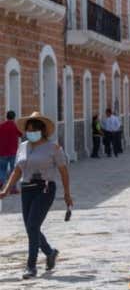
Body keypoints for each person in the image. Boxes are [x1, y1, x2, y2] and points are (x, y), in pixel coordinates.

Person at [0, 112, 73, 279]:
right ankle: (50, 252)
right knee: (30, 227)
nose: (30, 132)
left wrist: (67, 194)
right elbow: (18, 170)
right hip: (27, 189)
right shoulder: (23, 146)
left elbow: (63, 171)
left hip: (45, 188)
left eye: (33, 129)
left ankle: (31, 266)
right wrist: (6, 189)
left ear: (42, 130)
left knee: (32, 225)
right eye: (28, 129)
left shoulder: (54, 148)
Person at [0, 110, 22, 191]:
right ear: (14, 117)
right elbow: (21, 134)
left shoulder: (1, 126)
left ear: (7, 117)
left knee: (2, 170)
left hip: (2, 152)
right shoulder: (14, 126)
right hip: (13, 152)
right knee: (14, 171)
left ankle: (1, 183)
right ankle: (13, 189)